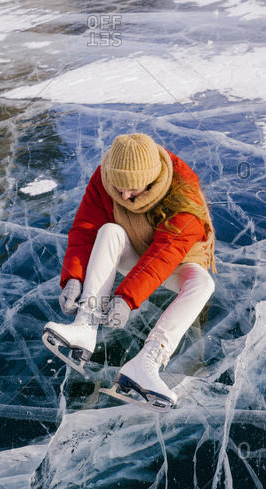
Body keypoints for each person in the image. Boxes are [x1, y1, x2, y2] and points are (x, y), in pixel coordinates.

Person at [43, 133, 216, 409]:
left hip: (177, 261)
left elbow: (163, 255)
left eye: (132, 190)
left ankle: (148, 362)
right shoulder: (105, 176)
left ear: (151, 180)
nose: (124, 196)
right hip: (136, 248)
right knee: (109, 230)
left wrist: (125, 298)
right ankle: (85, 325)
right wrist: (73, 278)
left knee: (203, 283)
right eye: (118, 188)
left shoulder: (184, 191)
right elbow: (84, 229)